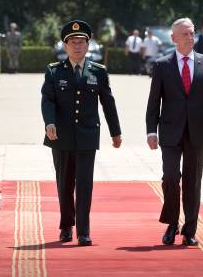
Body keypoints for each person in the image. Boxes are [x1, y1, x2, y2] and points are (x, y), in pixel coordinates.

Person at [41, 20, 122, 246]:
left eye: (81, 42)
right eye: (73, 43)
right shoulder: (54, 71)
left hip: (87, 136)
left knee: (85, 184)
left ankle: (84, 231)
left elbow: (108, 103)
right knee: (64, 184)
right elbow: (47, 101)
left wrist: (115, 132)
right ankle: (66, 226)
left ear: (88, 45)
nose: (77, 46)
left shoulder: (99, 72)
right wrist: (49, 123)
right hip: (61, 136)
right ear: (65, 46)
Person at [145, 17, 203, 246]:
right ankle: (171, 223)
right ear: (173, 38)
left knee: (193, 181)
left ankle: (189, 230)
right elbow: (153, 102)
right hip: (169, 131)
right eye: (185, 34)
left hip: (197, 132)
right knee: (170, 178)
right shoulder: (162, 65)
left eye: (192, 33)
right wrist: (151, 131)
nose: (190, 37)